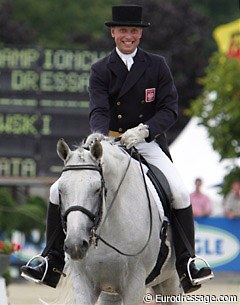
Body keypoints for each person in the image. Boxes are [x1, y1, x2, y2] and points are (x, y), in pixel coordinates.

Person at [20, 4, 213, 293]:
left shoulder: (157, 65)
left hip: (146, 142)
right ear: (113, 32)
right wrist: (101, 137)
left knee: (179, 191)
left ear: (140, 34)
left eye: (134, 31)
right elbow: (98, 108)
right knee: (55, 189)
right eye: (123, 30)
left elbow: (169, 109)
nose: (129, 35)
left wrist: (145, 130)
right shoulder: (100, 69)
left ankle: (188, 262)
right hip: (108, 144)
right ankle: (51, 260)